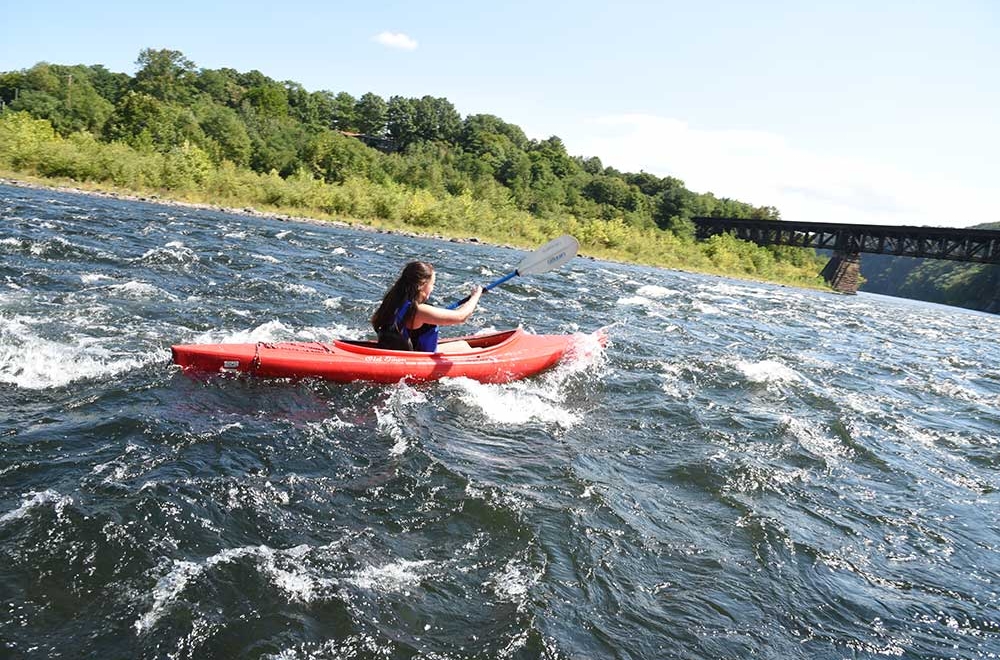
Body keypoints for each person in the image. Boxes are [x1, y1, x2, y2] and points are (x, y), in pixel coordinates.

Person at [371, 261, 483, 353]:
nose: (433, 288)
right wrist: (476, 296)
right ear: (422, 285)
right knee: (478, 350)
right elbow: (461, 317)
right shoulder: (419, 311)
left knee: (463, 344)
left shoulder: (391, 303)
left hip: (402, 352)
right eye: (432, 284)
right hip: (416, 358)